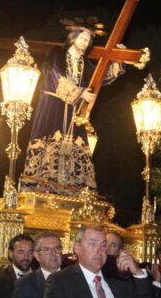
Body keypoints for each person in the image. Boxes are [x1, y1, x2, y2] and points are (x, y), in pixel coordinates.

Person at [21, 24, 123, 195]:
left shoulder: (86, 64)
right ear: (73, 37)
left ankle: (72, 192)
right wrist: (80, 92)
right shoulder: (57, 54)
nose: (85, 43)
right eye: (83, 38)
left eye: (88, 40)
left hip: (74, 112)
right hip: (53, 106)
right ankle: (43, 188)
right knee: (49, 145)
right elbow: (55, 74)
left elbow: (102, 78)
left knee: (75, 149)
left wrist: (118, 59)